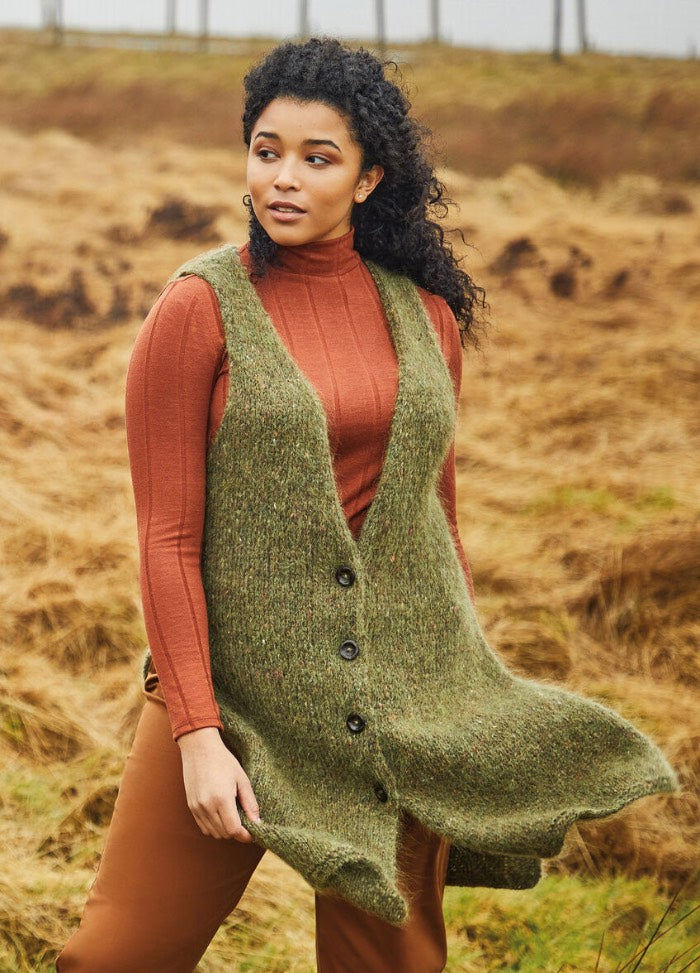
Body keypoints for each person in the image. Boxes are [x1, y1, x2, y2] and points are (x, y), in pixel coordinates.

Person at [56, 37, 678, 973]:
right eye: (266, 151)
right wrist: (196, 733)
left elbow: (436, 518)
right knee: (115, 957)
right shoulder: (199, 308)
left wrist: (458, 687)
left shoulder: (423, 314)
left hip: (394, 704)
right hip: (232, 700)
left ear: (368, 176)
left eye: (318, 158)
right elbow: (167, 539)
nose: (284, 178)